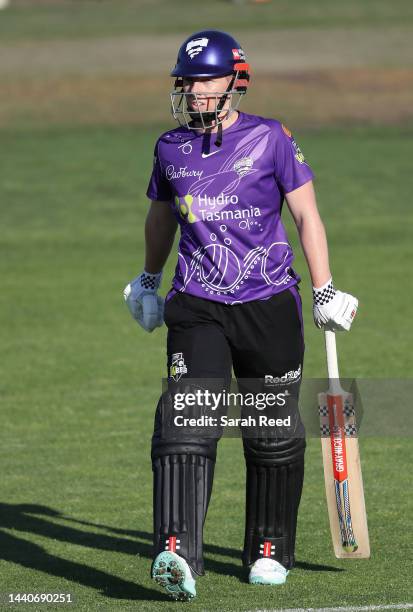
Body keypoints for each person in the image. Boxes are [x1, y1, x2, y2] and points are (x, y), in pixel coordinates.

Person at [123, 30, 358, 602]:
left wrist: (325, 290)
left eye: (204, 79)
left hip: (269, 301)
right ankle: (176, 550)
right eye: (187, 81)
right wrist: (149, 280)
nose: (193, 91)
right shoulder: (169, 147)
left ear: (235, 79)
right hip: (199, 304)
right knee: (185, 421)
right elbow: (161, 220)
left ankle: (268, 549)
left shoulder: (272, 138)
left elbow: (307, 217)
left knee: (271, 432)